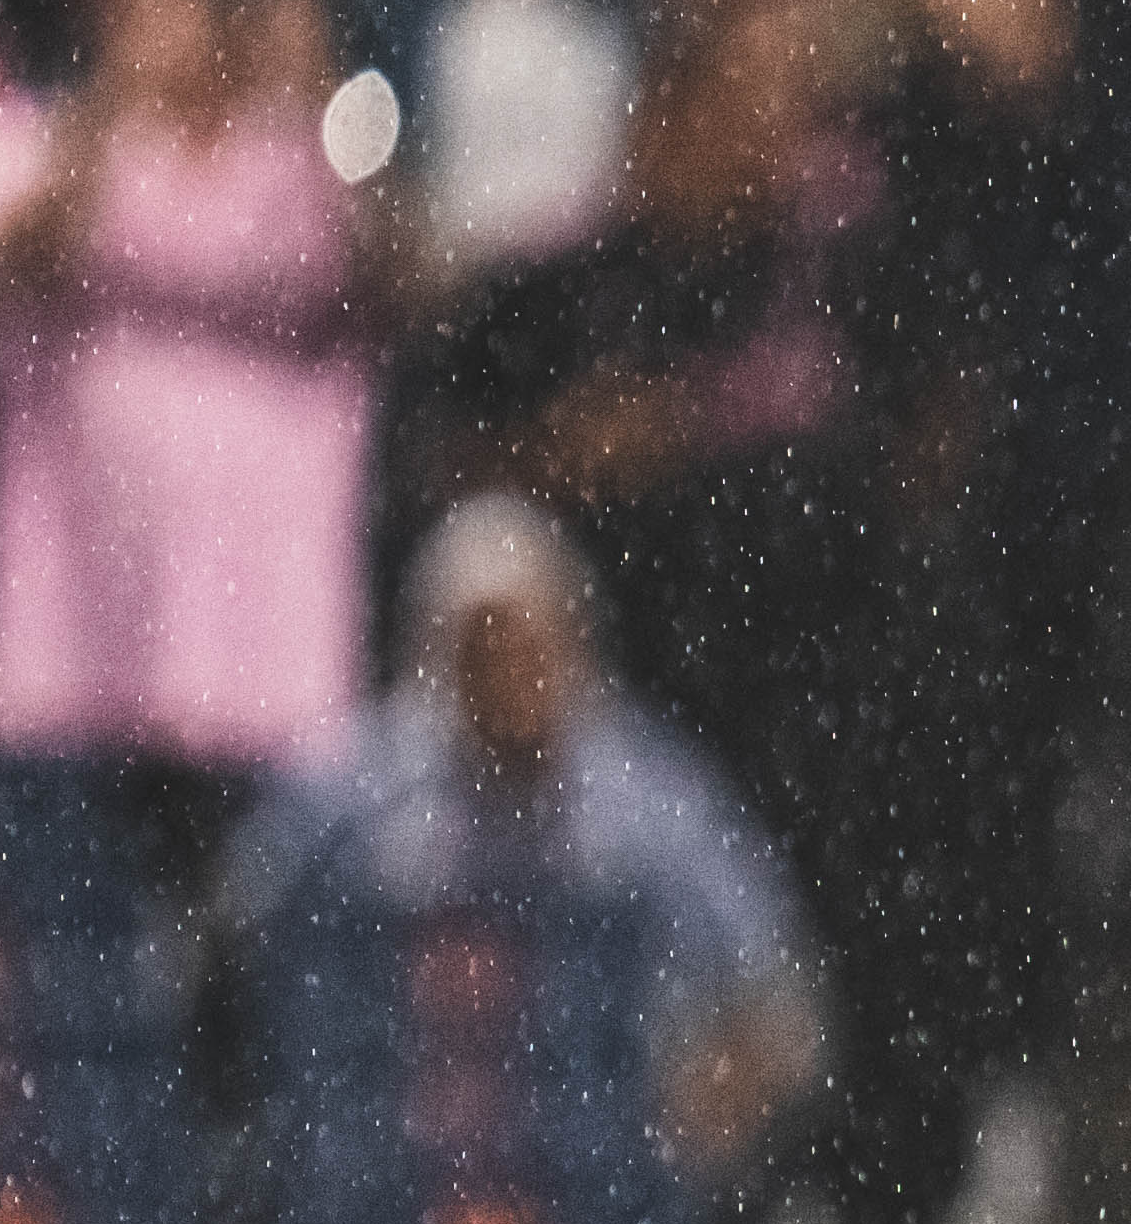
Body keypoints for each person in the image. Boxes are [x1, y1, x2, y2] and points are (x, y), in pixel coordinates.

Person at [0, 0, 387, 877]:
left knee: (258, 948)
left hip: (260, 660)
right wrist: (115, 94)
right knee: (74, 946)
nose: (196, 16)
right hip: (78, 650)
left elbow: (403, 274)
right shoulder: (41, 139)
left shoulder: (315, 161)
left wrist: (318, 75)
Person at [226, 498, 819, 1178]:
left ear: (574, 643)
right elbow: (242, 944)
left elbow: (773, 995)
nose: (508, 674)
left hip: (593, 1171)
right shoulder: (348, 797)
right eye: (482, 646)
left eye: (526, 644)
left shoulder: (648, 803)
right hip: (393, 1171)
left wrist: (682, 1141)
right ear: (433, 651)